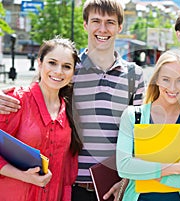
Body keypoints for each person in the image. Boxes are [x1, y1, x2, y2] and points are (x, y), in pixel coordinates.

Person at [0, 1, 145, 201]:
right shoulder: (69, 69)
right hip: (70, 185)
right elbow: (33, 97)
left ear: (120, 27)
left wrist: (129, 178)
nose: (102, 29)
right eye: (96, 21)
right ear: (85, 24)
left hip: (115, 185)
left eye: (110, 22)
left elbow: (141, 133)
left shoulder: (134, 75)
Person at [116, 49, 180, 201]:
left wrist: (150, 174)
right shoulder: (133, 116)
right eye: (166, 79)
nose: (172, 88)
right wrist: (175, 169)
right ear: (157, 80)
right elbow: (124, 167)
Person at [0, 36, 83, 201]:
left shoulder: (70, 113)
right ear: (40, 63)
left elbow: (66, 173)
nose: (58, 71)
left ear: (73, 73)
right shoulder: (14, 101)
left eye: (66, 66)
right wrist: (24, 176)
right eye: (52, 63)